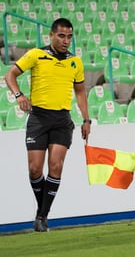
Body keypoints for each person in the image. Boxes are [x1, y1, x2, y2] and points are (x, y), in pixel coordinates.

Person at [5, 18, 91, 232]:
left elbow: (80, 93)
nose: (65, 40)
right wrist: (19, 95)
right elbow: (10, 75)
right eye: (61, 36)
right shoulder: (36, 54)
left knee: (56, 166)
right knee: (35, 169)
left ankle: (42, 216)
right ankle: (41, 210)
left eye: (69, 36)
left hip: (62, 120)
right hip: (38, 118)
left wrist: (86, 119)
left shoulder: (75, 62)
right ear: (51, 35)